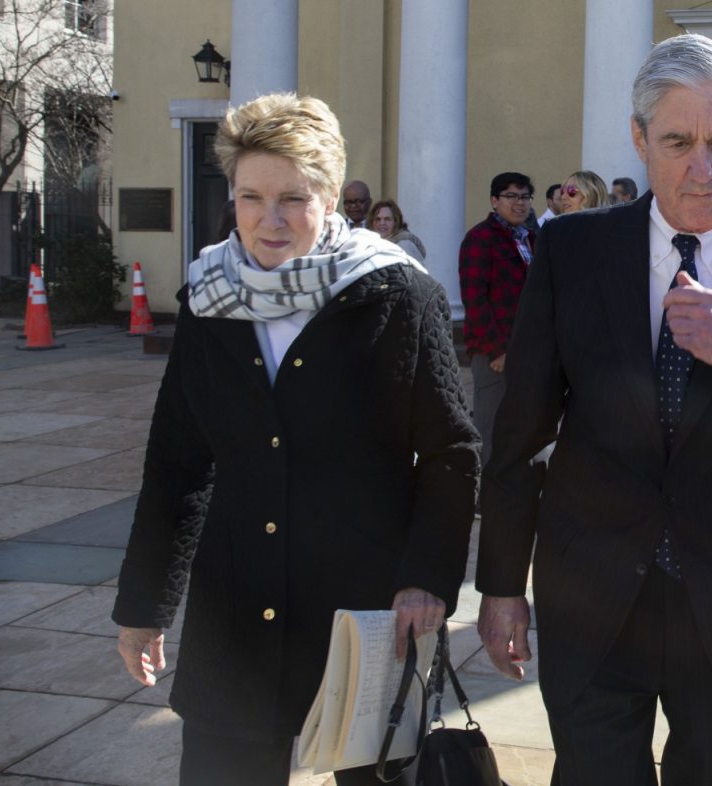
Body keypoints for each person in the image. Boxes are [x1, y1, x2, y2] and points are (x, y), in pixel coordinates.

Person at [475, 33, 712, 786]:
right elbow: (521, 433)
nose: (704, 168)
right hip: (591, 592)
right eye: (679, 141)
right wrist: (498, 586)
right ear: (640, 138)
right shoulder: (572, 253)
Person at [112, 93, 480, 785]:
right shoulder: (208, 296)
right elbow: (176, 460)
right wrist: (143, 607)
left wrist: (426, 578)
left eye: (293, 198)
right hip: (234, 612)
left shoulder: (396, 296)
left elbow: (450, 453)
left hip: (361, 609)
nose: (268, 220)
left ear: (332, 196)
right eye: (251, 197)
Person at [458, 171, 535, 466]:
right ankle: (487, 500)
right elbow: (474, 299)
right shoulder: (480, 239)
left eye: (525, 196)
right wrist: (497, 349)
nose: (519, 203)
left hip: (528, 351)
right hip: (496, 356)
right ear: (494, 200)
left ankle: (517, 497)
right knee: (492, 431)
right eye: (511, 196)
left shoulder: (532, 237)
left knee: (524, 431)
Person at [368, 198, 427, 263]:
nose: (382, 223)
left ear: (396, 221)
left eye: (387, 219)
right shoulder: (372, 244)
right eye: (378, 219)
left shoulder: (404, 244)